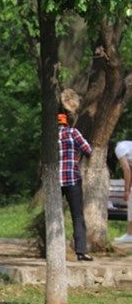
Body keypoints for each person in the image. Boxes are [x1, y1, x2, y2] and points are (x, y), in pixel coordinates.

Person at [57, 89, 93, 260]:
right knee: (77, 216)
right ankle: (80, 252)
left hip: (55, 181)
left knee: (55, 215)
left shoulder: (51, 136)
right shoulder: (74, 133)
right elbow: (88, 150)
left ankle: (54, 249)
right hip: (72, 179)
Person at [113, 140, 132, 243]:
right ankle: (130, 234)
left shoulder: (119, 148)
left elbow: (127, 169)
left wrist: (126, 191)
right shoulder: (127, 146)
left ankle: (130, 234)